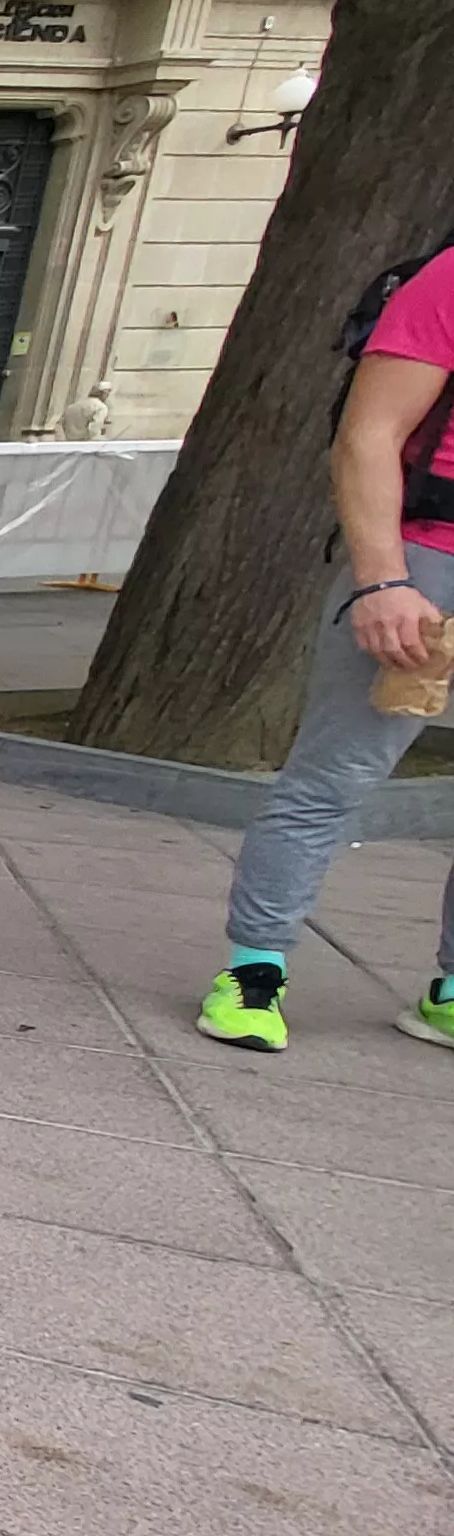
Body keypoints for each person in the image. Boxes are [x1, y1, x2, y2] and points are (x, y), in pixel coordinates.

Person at [199, 244, 454, 1056]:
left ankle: (449, 990)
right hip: (429, 562)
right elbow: (368, 434)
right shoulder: (449, 280)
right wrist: (382, 579)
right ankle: (254, 971)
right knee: (334, 777)